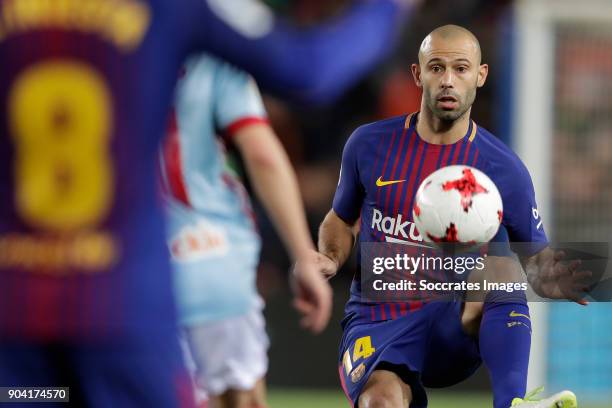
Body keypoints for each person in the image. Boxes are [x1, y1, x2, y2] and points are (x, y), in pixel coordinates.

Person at [0, 0, 422, 405]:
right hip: (125, 299)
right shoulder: (169, 10)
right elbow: (307, 71)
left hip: (15, 305)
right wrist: (386, 8)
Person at [318, 25, 585, 408]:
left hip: (453, 323)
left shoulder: (504, 169)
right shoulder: (368, 144)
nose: (448, 80)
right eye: (437, 67)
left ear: (480, 75)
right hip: (378, 320)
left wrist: (551, 277)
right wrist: (328, 257)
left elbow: (536, 260)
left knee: (501, 268)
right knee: (381, 403)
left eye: (461, 69)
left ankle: (512, 403)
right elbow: (340, 220)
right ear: (418, 74)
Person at [161, 54, 330, 408]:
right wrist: (303, 256)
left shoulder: (76, 46)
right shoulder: (211, 46)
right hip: (209, 255)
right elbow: (263, 155)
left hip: (120, 268)